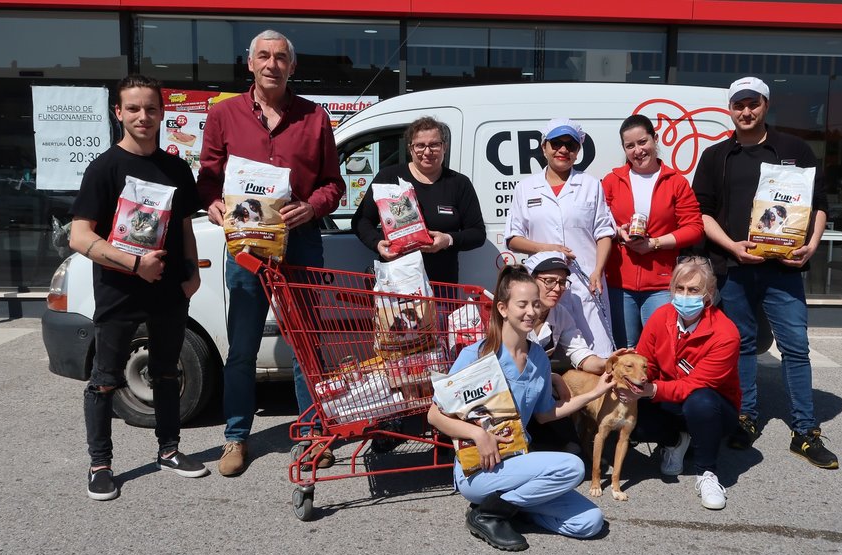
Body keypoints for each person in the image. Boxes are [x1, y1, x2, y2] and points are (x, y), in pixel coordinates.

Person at [197, 30, 345, 476]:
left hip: (298, 241)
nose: (272, 64)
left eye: (281, 57)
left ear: (292, 67)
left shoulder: (314, 117)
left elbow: (334, 184)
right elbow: (207, 179)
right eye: (264, 56)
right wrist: (215, 205)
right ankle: (236, 437)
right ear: (250, 63)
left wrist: (312, 205)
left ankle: (312, 435)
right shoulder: (223, 115)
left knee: (305, 342)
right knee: (241, 346)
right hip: (246, 244)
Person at [70, 74, 208, 501]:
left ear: (162, 113)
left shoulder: (175, 167)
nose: (143, 116)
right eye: (133, 108)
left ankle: (169, 450)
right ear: (119, 113)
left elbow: (184, 223)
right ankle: (100, 465)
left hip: (168, 290)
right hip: (119, 291)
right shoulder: (104, 168)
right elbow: (79, 236)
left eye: (150, 108)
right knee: (104, 380)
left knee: (168, 373)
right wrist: (134, 263)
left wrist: (192, 271)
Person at [692, 76, 838, 469]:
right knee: (741, 346)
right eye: (739, 105)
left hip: (783, 270)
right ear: (730, 109)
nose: (745, 111)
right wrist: (731, 246)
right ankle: (746, 417)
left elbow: (819, 204)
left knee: (795, 348)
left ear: (765, 105)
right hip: (735, 270)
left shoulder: (794, 149)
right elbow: (701, 213)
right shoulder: (717, 156)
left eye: (752, 104)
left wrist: (812, 244)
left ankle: (805, 431)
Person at [427, 265, 613, 551]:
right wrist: (478, 435)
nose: (531, 311)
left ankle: (512, 508)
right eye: (522, 304)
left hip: (517, 461)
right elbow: (434, 414)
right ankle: (487, 514)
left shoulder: (538, 356)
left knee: (590, 521)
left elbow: (544, 414)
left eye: (536, 304)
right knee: (573, 467)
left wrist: (595, 393)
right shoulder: (476, 354)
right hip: (480, 469)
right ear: (502, 308)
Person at [619, 257, 740, 510]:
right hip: (668, 400)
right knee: (630, 417)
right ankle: (675, 441)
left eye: (694, 290)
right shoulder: (661, 316)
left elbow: (694, 385)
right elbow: (646, 363)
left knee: (700, 401)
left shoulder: (725, 333)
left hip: (714, 409)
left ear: (708, 294)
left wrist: (651, 390)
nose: (685, 295)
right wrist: (632, 384)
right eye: (680, 288)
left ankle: (707, 473)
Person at [504, 118, 616, 358]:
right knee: (541, 355)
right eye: (556, 143)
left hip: (586, 284)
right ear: (544, 147)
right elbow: (512, 238)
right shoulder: (526, 188)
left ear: (577, 152)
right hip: (543, 287)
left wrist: (597, 271)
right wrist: (548, 248)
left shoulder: (590, 185)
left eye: (571, 145)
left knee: (597, 354)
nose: (563, 150)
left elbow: (604, 232)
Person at [602, 114, 705, 348]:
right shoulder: (611, 181)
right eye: (630, 146)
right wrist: (618, 232)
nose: (638, 150)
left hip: (660, 284)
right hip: (620, 283)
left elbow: (695, 228)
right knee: (625, 351)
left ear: (655, 139)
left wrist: (655, 243)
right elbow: (597, 222)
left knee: (660, 349)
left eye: (642, 142)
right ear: (624, 149)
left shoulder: (676, 182)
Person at [351, 116, 485, 284]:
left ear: (445, 147)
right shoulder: (388, 177)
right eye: (420, 145)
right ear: (410, 149)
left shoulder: (459, 183)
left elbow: (478, 233)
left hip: (441, 284)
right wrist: (377, 243)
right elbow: (361, 220)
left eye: (434, 144)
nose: (427, 152)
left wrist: (448, 240)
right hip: (396, 282)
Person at [522, 251, 609, 453]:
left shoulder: (560, 313)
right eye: (549, 281)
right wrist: (553, 377)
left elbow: (581, 354)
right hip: (510, 391)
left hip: (538, 390)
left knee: (573, 449)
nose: (557, 288)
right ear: (529, 281)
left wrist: (609, 363)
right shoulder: (512, 312)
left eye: (562, 282)